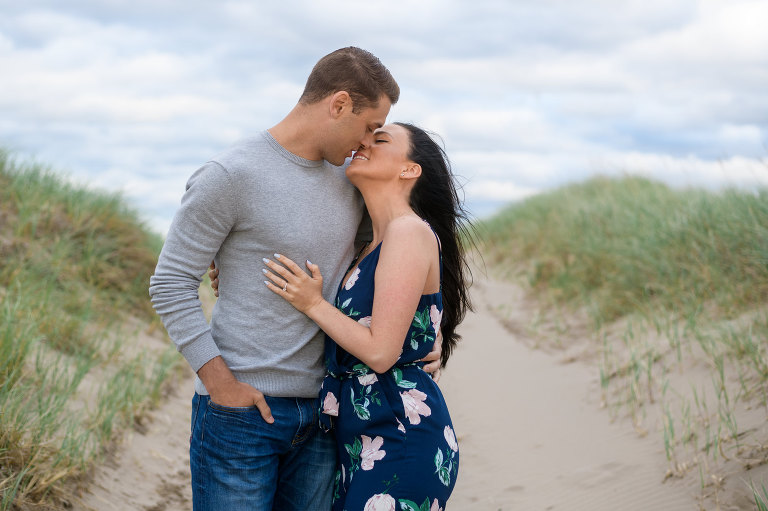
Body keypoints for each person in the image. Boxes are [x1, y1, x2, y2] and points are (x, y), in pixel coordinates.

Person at [149, 47, 440, 511]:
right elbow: (169, 284)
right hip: (241, 415)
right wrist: (221, 384)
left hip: (327, 419)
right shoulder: (229, 175)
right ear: (339, 104)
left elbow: (386, 267)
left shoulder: (352, 180)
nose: (367, 143)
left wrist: (425, 333)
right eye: (369, 126)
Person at [260, 122, 473, 509]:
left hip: (400, 438)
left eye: (381, 140)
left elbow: (380, 352)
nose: (364, 143)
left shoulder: (408, 232)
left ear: (409, 169)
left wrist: (313, 303)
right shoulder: (369, 244)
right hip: (362, 438)